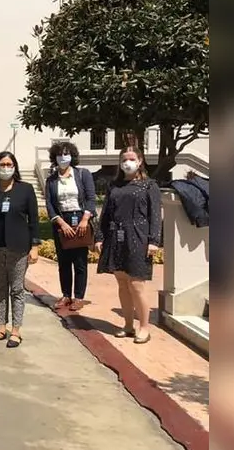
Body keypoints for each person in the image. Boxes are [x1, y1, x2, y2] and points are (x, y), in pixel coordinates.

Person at [95, 146, 162, 345]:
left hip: (139, 237)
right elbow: (106, 213)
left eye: (132, 158)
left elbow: (155, 216)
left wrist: (153, 241)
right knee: (123, 284)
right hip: (117, 237)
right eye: (124, 159)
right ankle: (127, 325)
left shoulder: (149, 185)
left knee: (137, 285)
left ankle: (144, 327)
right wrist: (100, 236)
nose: (128, 162)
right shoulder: (114, 186)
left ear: (140, 161)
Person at [0, 152, 40, 348]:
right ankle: (1, 328)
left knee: (17, 289)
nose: (5, 167)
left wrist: (35, 245)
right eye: (2, 164)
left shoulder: (26, 189)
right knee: (0, 289)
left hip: (18, 248)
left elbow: (34, 219)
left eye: (9, 164)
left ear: (15, 167)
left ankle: (16, 331)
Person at [44, 140, 97, 312]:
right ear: (54, 157)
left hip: (80, 217)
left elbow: (91, 198)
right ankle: (66, 294)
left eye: (66, 154)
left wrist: (84, 219)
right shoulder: (51, 180)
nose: (62, 157)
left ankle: (79, 297)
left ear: (72, 156)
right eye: (59, 154)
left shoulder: (83, 174)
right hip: (61, 221)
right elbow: (50, 204)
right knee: (64, 261)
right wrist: (60, 222)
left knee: (80, 261)